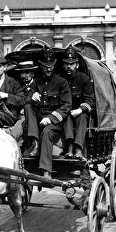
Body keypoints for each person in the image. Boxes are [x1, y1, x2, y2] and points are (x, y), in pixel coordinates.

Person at [23, 46, 72, 178]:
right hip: (39, 118)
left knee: (46, 132)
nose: (48, 68)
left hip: (56, 122)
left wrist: (50, 118)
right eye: (45, 66)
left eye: (51, 65)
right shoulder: (36, 82)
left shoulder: (62, 82)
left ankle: (46, 171)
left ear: (54, 65)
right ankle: (35, 143)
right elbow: (26, 100)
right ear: (41, 66)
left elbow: (66, 106)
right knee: (28, 107)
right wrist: (32, 98)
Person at [61, 45, 95, 160]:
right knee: (66, 116)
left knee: (82, 117)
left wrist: (80, 110)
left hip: (80, 111)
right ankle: (69, 148)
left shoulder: (84, 79)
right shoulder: (60, 79)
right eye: (66, 64)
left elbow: (90, 101)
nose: (69, 66)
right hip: (66, 110)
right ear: (63, 65)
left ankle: (79, 149)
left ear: (77, 65)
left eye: (72, 64)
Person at [4, 61, 39, 146]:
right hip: (19, 116)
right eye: (22, 73)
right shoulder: (18, 86)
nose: (24, 76)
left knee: (23, 121)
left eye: (27, 72)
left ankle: (10, 137)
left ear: (33, 73)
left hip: (36, 115)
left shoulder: (39, 85)